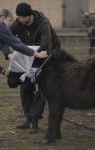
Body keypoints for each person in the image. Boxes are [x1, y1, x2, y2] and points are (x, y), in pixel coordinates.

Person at [0, 9, 48, 145]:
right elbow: (15, 44)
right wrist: (36, 54)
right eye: (10, 21)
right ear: (4, 18)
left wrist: (3, 71)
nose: (10, 24)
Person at [4, 2, 61, 133]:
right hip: (29, 56)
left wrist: (32, 56)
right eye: (19, 17)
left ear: (30, 15)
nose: (21, 20)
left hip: (47, 54)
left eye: (24, 17)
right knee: (25, 85)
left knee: (42, 87)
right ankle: (29, 119)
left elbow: (46, 45)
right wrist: (8, 54)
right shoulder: (18, 23)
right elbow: (5, 38)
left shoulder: (43, 23)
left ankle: (34, 121)